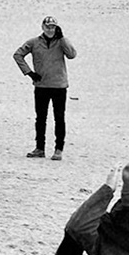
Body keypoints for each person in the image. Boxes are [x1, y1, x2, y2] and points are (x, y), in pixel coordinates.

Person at [13, 14, 77, 159]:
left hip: (59, 86)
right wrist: (29, 73)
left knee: (59, 118)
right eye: (48, 27)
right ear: (42, 27)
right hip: (41, 85)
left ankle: (58, 149)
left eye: (53, 27)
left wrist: (62, 38)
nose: (50, 30)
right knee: (40, 118)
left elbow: (72, 55)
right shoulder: (34, 42)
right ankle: (39, 148)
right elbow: (18, 55)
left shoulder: (61, 42)